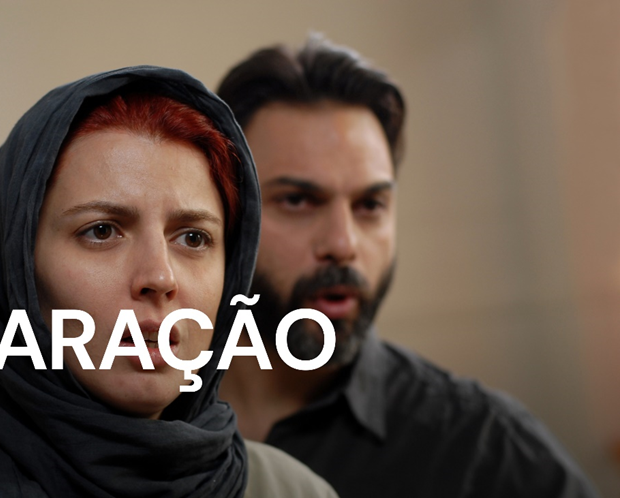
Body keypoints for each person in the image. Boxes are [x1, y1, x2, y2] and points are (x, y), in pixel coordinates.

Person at [0, 66, 337, 497]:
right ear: (16, 275)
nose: (159, 277)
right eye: (101, 231)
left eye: (193, 237)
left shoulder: (296, 491)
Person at [216, 35, 600, 498]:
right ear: (223, 211)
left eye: (370, 205)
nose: (343, 244)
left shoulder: (485, 451)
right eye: (297, 200)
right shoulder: (144, 411)